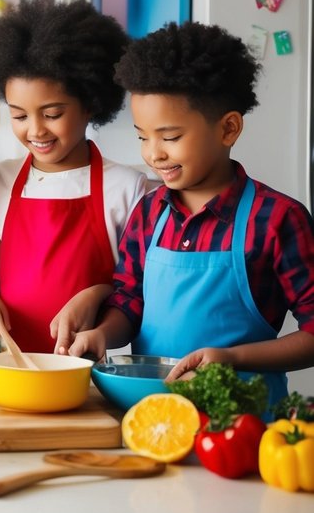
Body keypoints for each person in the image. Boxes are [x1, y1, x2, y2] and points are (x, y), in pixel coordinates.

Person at [68, 22, 314, 403]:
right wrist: (102, 334)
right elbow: (129, 302)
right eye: (142, 136)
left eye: (170, 137)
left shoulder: (278, 220)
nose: (153, 154)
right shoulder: (148, 213)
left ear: (228, 129)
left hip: (243, 426)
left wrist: (231, 358)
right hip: (152, 412)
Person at [0, 0, 147, 354]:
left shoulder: (127, 186)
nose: (35, 130)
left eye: (52, 114)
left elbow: (136, 292)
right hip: (6, 364)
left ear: (91, 104)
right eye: (19, 116)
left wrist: (96, 294)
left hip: (86, 369)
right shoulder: (0, 179)